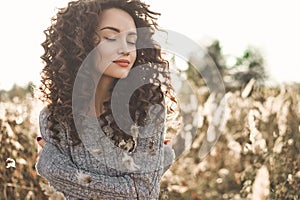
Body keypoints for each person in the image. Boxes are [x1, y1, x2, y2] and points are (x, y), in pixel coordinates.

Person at [35, 0, 180, 199]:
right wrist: (157, 161)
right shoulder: (53, 118)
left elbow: (143, 193)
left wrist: (54, 169)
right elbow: (135, 192)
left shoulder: (147, 107)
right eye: (111, 37)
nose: (126, 49)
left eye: (131, 41)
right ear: (80, 42)